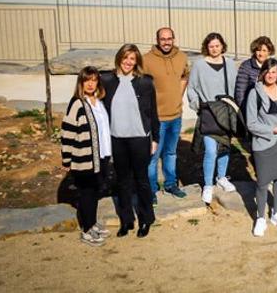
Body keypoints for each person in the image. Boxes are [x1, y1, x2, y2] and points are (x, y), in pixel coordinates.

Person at [101, 44, 158, 238]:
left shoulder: (145, 82)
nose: (128, 62)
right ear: (119, 58)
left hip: (139, 138)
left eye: (132, 59)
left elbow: (153, 113)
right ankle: (126, 221)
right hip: (117, 138)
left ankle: (146, 219)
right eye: (125, 58)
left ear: (137, 62)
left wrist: (155, 138)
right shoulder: (107, 81)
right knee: (122, 181)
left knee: (141, 180)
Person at [61, 66, 113, 246]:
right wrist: (66, 159)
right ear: (81, 83)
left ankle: (91, 224)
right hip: (84, 158)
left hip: (101, 157)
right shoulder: (77, 103)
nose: (91, 84)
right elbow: (67, 133)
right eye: (87, 80)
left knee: (94, 192)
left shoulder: (98, 101)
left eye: (94, 80)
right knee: (86, 193)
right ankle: (86, 230)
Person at [246, 58, 277, 236]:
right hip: (265, 143)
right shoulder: (255, 93)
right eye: (268, 72)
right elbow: (251, 123)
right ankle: (260, 217)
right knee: (262, 182)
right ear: (263, 73)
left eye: (274, 72)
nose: (271, 75)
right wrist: (274, 129)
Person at [187, 32, 238, 205]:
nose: (214, 49)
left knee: (224, 147)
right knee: (210, 150)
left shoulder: (230, 64)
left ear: (222, 46)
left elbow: (236, 87)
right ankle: (208, 184)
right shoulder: (199, 65)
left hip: (226, 111)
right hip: (208, 112)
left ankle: (221, 177)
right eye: (211, 46)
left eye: (217, 45)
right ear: (206, 47)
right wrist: (197, 105)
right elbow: (192, 88)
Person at [143, 27, 190, 204]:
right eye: (163, 39)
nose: (166, 42)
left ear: (174, 39)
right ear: (157, 40)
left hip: (176, 115)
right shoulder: (147, 60)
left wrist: (178, 95)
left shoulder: (181, 57)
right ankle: (152, 190)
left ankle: (171, 184)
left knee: (170, 153)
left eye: (169, 38)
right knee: (153, 156)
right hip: (157, 118)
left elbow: (185, 76)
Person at [235, 36, 275, 111]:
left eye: (264, 50)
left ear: (269, 52)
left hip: (270, 110)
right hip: (251, 108)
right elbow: (240, 92)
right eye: (258, 50)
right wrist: (246, 110)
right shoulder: (246, 66)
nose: (261, 54)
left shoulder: (273, 65)